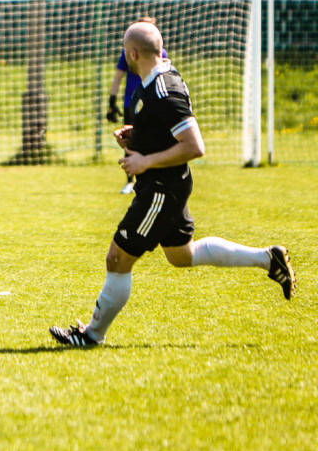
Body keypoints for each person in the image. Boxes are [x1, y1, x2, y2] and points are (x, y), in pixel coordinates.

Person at [50, 20, 295, 347]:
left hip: (161, 191)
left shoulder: (165, 89)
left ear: (133, 52)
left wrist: (143, 161)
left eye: (125, 51)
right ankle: (269, 258)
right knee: (181, 255)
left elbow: (195, 146)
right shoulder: (153, 82)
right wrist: (137, 138)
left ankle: (91, 335)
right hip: (166, 185)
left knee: (117, 259)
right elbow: (166, 131)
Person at [107, 17, 167, 194]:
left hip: (151, 102)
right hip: (131, 103)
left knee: (152, 138)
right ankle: (130, 181)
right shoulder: (128, 53)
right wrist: (112, 101)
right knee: (130, 139)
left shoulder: (159, 54)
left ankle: (153, 177)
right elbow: (118, 76)